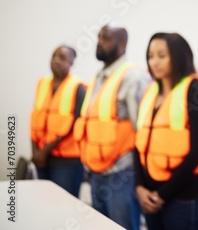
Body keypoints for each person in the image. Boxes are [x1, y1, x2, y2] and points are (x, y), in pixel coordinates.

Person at [73, 24, 151, 230]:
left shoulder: (133, 77)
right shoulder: (99, 77)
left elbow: (143, 131)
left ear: (122, 43)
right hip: (97, 173)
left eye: (105, 38)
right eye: (99, 37)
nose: (99, 42)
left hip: (123, 173)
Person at [134, 32, 198, 230]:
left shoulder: (194, 89)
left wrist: (163, 194)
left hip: (183, 197)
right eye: (151, 56)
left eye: (162, 56)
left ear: (178, 56)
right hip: (149, 195)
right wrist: (139, 188)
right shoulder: (150, 92)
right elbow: (139, 142)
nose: (154, 62)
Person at [30, 45, 86, 197]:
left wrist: (44, 152)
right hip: (41, 159)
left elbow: (75, 125)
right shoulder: (42, 84)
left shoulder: (78, 87)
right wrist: (36, 152)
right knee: (43, 203)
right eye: (53, 56)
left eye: (62, 57)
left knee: (64, 206)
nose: (55, 60)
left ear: (72, 62)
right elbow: (35, 120)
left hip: (66, 163)